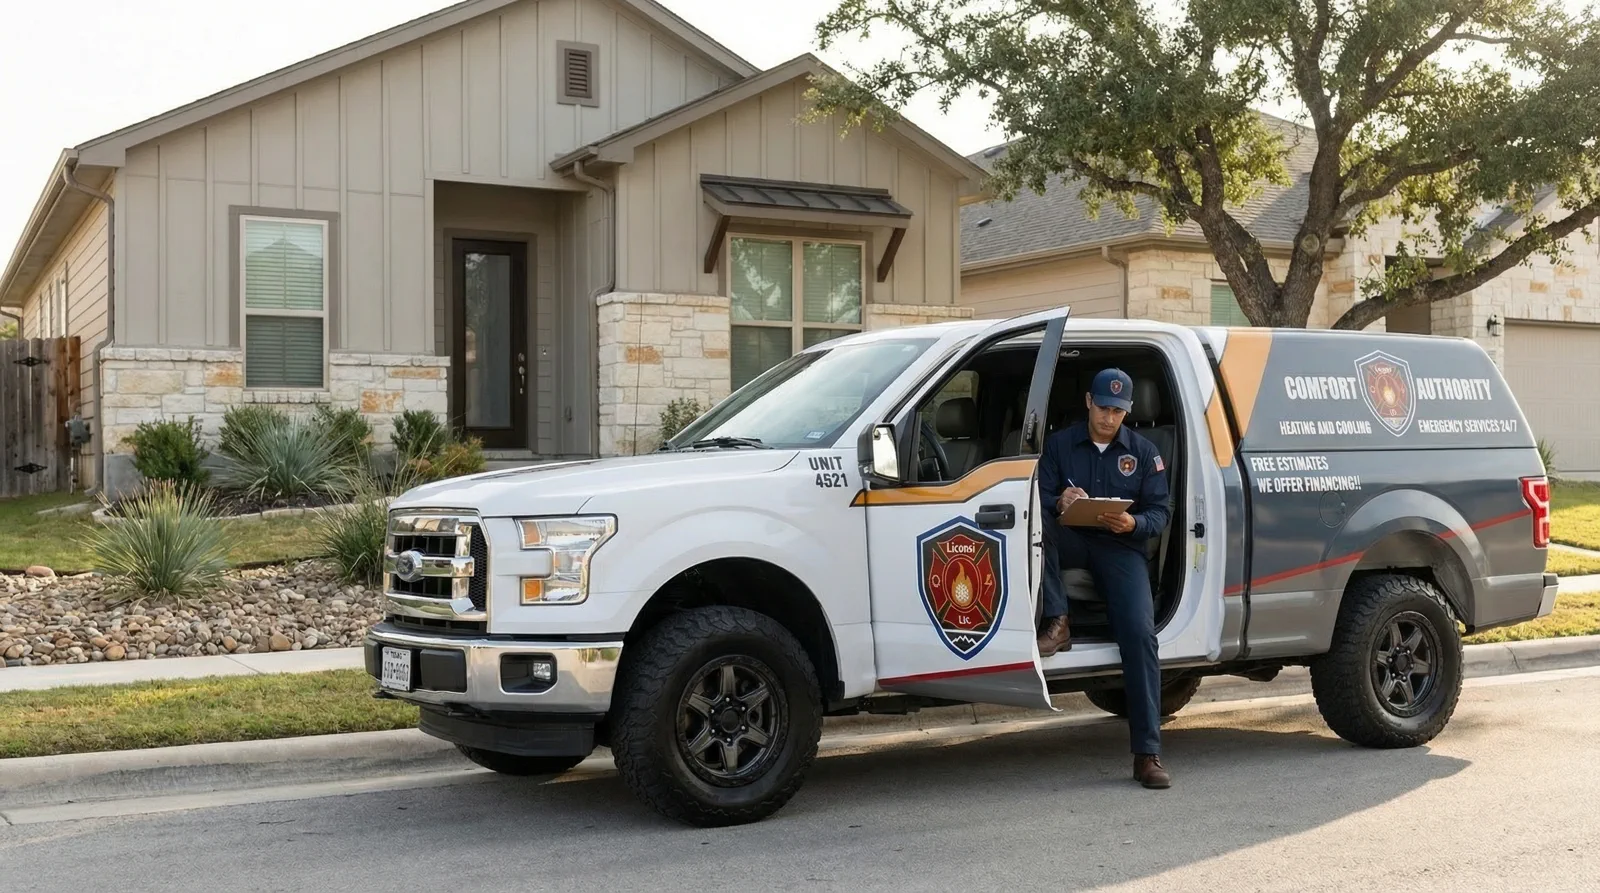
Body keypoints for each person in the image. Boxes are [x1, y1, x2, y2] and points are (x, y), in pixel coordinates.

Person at [1036, 367, 1173, 789]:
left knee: (1139, 634)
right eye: (1103, 407)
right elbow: (1034, 497)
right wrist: (1059, 498)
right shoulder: (1059, 445)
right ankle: (1058, 621)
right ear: (1088, 403)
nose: (1109, 418)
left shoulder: (1146, 452)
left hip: (1120, 546)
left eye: (1118, 410)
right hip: (1072, 536)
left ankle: (1147, 755)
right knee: (1037, 524)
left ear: (1127, 411)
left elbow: (1161, 512)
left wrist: (1133, 524)